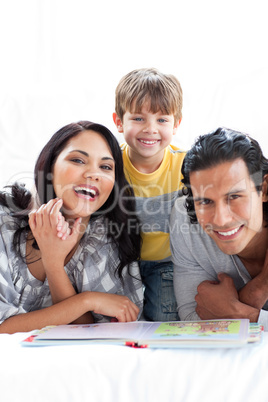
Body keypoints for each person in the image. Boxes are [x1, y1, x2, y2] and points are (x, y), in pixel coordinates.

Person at [0, 120, 143, 334]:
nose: (93, 174)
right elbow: (3, 327)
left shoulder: (103, 239)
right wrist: (87, 300)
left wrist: (54, 262)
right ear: (49, 166)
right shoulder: (5, 226)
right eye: (78, 160)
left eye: (105, 167)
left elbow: (92, 330)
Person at [170, 127, 268, 329]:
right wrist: (258, 288)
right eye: (205, 201)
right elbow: (191, 318)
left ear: (263, 189)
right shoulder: (185, 220)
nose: (221, 220)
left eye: (234, 196)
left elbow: (210, 316)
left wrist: (245, 313)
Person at [113, 67, 186, 321]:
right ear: (119, 121)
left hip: (165, 263)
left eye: (162, 120)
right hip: (118, 261)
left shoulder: (186, 166)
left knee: (164, 319)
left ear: (176, 124)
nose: (150, 129)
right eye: (139, 118)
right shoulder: (109, 164)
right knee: (115, 322)